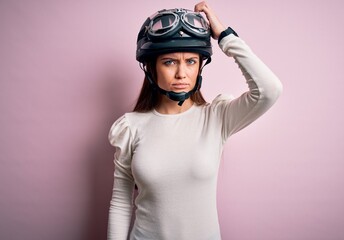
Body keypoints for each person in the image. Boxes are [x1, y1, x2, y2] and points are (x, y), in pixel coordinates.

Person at [107, 1, 283, 239]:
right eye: (169, 62)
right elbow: (120, 202)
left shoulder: (216, 118)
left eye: (190, 61)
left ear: (200, 66)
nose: (182, 73)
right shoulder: (130, 127)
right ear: (151, 68)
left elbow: (269, 90)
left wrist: (224, 36)